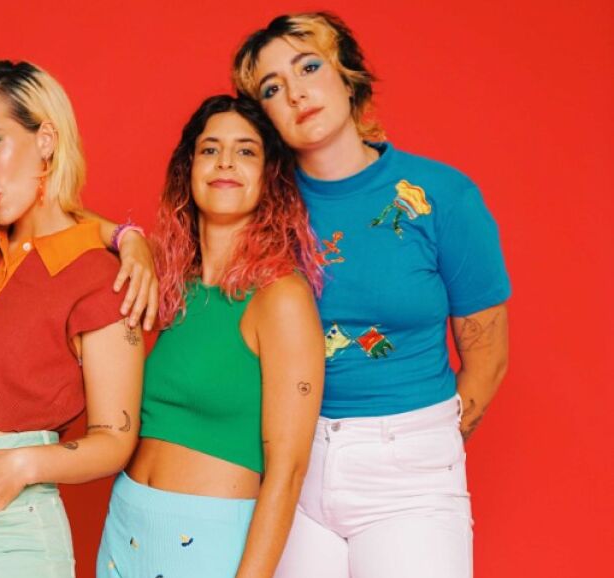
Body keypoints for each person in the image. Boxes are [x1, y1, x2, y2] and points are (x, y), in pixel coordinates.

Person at [232, 12, 511, 578]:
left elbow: (488, 356)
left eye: (309, 67)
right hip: (288, 464)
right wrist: (125, 240)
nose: (296, 93)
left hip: (410, 469)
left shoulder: (442, 195)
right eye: (272, 89)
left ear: (347, 74)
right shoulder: (256, 208)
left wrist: (425, 445)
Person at [0, 59, 144, 578]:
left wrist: (23, 464)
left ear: (46, 140)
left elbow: (115, 439)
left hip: (6, 526)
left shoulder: (101, 277)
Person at [97, 94, 325, 578]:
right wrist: (127, 238)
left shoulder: (280, 297)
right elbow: (64, 225)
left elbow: (287, 472)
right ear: (188, 169)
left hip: (208, 540)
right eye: (210, 149)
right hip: (124, 529)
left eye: (246, 151)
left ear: (270, 177)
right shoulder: (168, 284)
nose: (225, 161)